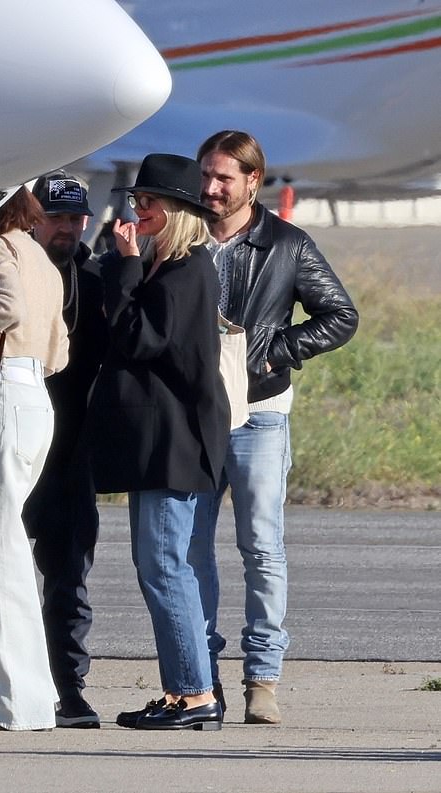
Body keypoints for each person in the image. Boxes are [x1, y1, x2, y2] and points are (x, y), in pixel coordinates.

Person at [189, 130, 359, 724]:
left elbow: (341, 315)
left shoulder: (287, 244)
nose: (210, 188)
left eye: (223, 178)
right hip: (192, 415)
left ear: (253, 181)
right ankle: (199, 675)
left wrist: (279, 349)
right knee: (190, 551)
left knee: (261, 546)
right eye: (205, 175)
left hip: (261, 413)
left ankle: (263, 677)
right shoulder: (182, 236)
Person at [0, 172, 107, 729]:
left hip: (2, 398)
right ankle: (10, 683)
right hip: (34, 396)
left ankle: (22, 701)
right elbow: (58, 349)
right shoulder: (40, 257)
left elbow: (4, 308)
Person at [87, 154, 231, 731]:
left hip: (177, 440)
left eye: (148, 204)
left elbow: (137, 339)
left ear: (175, 212)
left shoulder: (186, 270)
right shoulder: (166, 267)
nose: (138, 212)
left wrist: (122, 266)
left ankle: (194, 693)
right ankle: (184, 690)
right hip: (163, 439)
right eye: (135, 203)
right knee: (159, 564)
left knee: (165, 566)